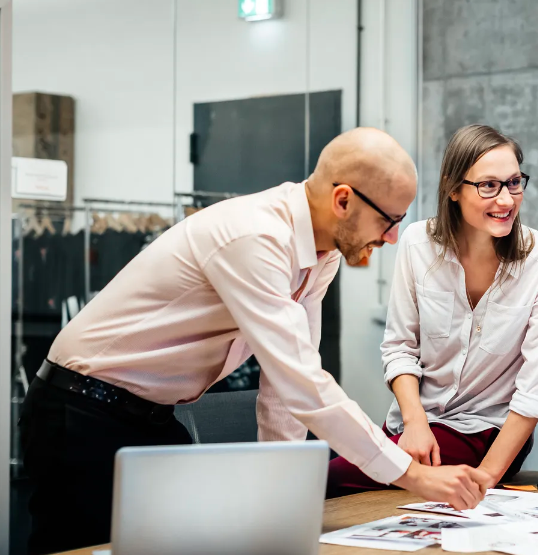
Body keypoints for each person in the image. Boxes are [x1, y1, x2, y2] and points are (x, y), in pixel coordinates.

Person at [19, 128, 492, 555]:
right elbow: (303, 381)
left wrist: (278, 493)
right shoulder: (256, 237)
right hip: (80, 410)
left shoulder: (320, 255)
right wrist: (412, 475)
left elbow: (285, 388)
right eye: (388, 220)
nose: (391, 238)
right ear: (343, 200)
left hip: (150, 417)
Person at [327, 125, 538, 496]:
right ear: (453, 189)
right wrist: (415, 424)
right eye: (488, 185)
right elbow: (399, 348)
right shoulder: (416, 244)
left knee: (324, 479)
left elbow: (536, 388)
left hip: (487, 434)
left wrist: (488, 477)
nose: (506, 200)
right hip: (412, 426)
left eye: (514, 182)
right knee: (326, 470)